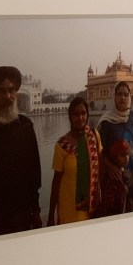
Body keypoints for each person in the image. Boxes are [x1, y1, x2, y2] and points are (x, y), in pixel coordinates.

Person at [0, 66, 42, 238]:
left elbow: (34, 173)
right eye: (2, 91)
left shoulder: (25, 127)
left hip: (22, 214)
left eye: (12, 90)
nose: (8, 96)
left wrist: (35, 210)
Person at [47, 97, 102, 226]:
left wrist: (100, 197)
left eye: (83, 113)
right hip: (70, 210)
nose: (80, 118)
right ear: (70, 117)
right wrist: (50, 216)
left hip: (92, 206)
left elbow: (100, 168)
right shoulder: (62, 145)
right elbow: (56, 182)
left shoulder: (94, 136)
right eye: (75, 114)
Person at [97, 81, 133, 182]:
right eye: (119, 94)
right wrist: (110, 167)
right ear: (114, 97)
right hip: (115, 179)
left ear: (129, 97)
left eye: (126, 95)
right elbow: (100, 152)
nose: (123, 98)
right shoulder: (106, 122)